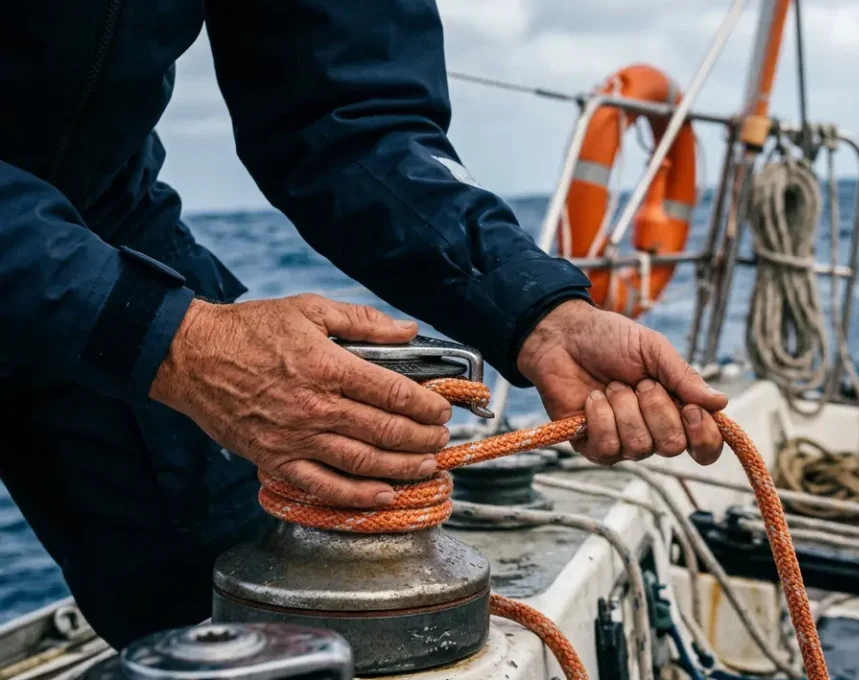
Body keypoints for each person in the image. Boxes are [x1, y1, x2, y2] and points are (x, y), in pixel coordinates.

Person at [0, 0, 727, 648]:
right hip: (85, 269)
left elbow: (351, 115)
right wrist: (176, 343)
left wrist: (538, 311)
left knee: (254, 610)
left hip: (103, 221)